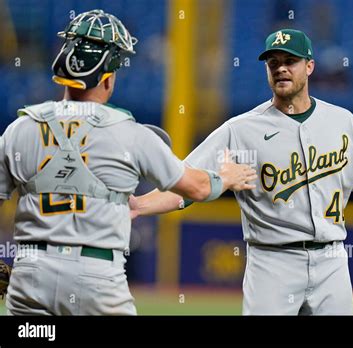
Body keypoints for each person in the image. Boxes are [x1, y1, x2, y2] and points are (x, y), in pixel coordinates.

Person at [130, 29, 353, 315]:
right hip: (271, 262)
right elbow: (188, 183)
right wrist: (139, 205)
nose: (281, 68)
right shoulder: (241, 130)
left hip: (332, 259)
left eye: (290, 61)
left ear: (309, 66)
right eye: (274, 63)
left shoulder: (343, 122)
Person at [0, 9, 256, 316]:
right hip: (94, 276)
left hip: (30, 274)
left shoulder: (20, 128)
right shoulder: (129, 133)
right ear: (107, 79)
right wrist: (225, 177)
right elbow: (198, 188)